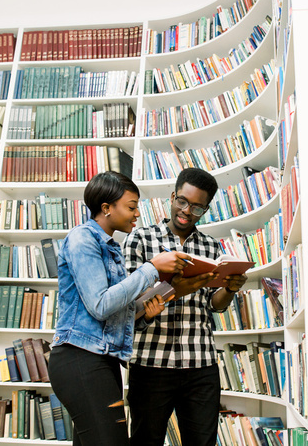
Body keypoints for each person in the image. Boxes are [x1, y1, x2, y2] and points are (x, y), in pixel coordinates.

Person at [48, 171, 191, 446]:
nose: (137, 214)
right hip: (79, 358)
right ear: (106, 208)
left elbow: (111, 310)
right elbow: (100, 304)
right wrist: (151, 268)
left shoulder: (111, 248)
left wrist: (143, 313)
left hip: (101, 360)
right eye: (131, 206)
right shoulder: (82, 239)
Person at [123, 167, 248, 446]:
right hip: (150, 364)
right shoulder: (140, 239)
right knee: (145, 441)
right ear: (172, 196)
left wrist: (229, 289)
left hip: (201, 365)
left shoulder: (212, 248)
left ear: (206, 209)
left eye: (197, 207)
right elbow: (129, 303)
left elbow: (215, 306)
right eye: (182, 201)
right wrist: (175, 290)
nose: (186, 211)